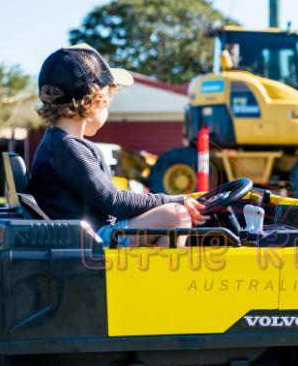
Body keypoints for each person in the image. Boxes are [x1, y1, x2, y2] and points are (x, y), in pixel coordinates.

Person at [27, 44, 205, 247]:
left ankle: (155, 273)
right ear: (91, 103)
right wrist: (175, 200)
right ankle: (161, 279)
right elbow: (113, 201)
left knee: (172, 214)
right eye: (107, 104)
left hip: (88, 235)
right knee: (175, 215)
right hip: (86, 243)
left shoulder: (62, 144)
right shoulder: (65, 148)